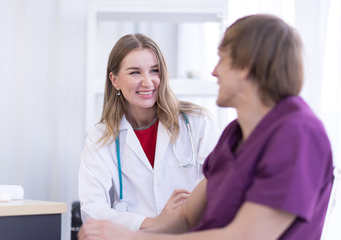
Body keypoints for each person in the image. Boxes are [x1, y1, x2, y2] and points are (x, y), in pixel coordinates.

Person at [78, 14, 334, 240]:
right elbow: (188, 217)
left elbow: (244, 236)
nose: (213, 72)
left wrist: (133, 238)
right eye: (135, 72)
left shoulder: (299, 134)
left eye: (222, 59)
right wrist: (126, 232)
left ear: (245, 68)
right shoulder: (235, 135)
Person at [78, 33, 220, 231]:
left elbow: (219, 186)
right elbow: (92, 209)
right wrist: (154, 223)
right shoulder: (101, 137)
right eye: (135, 72)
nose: (147, 82)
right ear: (115, 80)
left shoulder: (197, 123)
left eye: (154, 71)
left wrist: (179, 220)